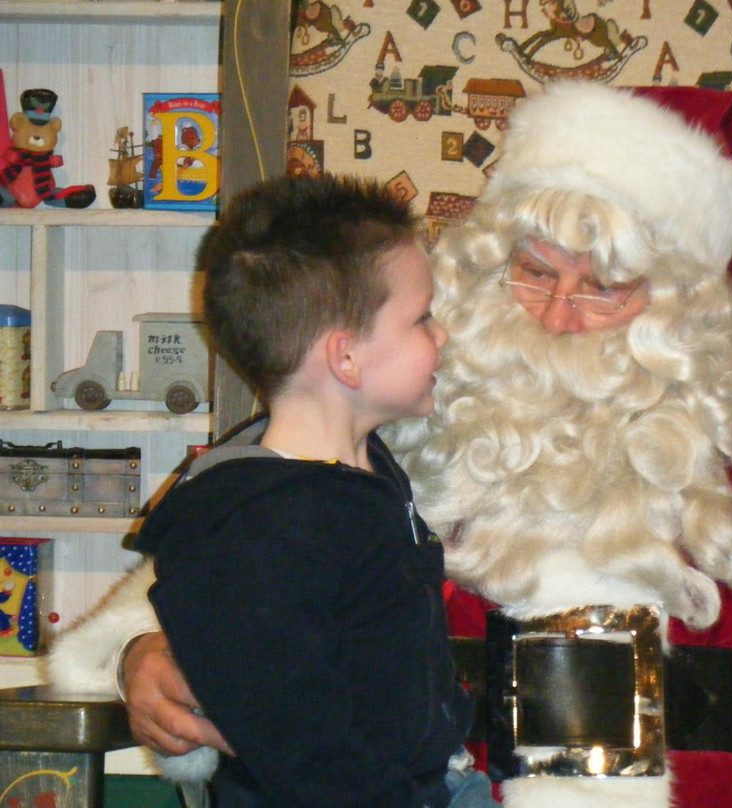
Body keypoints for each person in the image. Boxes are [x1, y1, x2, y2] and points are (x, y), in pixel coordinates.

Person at [49, 83, 732, 808]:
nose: (556, 313)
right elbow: (254, 531)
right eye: (533, 273)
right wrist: (148, 648)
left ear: (686, 297)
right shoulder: (416, 378)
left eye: (605, 286)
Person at [66, 173, 496, 808]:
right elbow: (300, 742)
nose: (442, 336)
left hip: (437, 782)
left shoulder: (366, 473)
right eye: (422, 318)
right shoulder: (259, 526)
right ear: (346, 359)